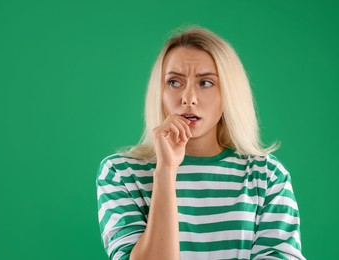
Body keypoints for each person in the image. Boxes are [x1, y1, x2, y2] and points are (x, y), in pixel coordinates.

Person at [96, 26, 305, 260]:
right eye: (174, 82)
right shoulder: (120, 173)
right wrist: (166, 171)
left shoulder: (267, 175)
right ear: (160, 92)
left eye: (205, 83)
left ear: (228, 94)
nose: (188, 98)